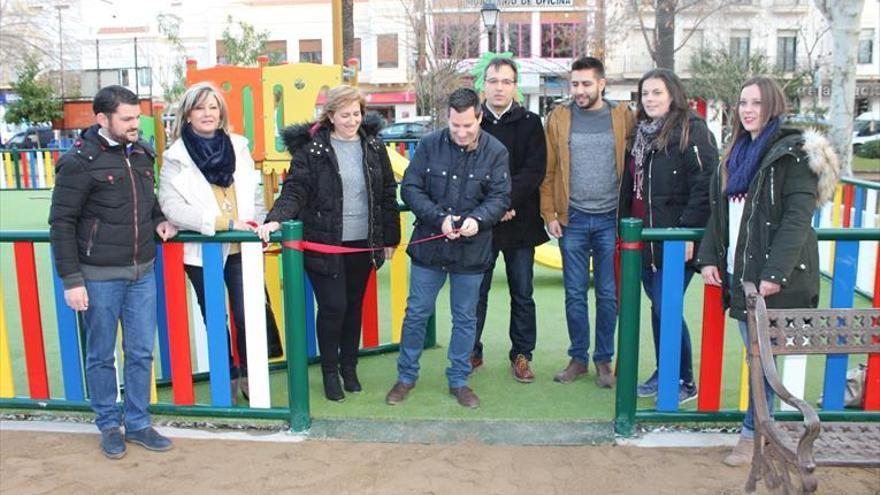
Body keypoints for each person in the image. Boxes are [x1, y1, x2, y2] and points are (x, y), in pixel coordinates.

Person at [695, 76, 839, 466]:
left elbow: (796, 221)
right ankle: (761, 429)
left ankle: (753, 434)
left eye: (756, 103)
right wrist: (709, 257)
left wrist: (773, 275)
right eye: (743, 102)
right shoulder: (737, 153)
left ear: (773, 106)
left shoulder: (792, 155)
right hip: (741, 272)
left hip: (773, 278)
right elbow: (722, 213)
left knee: (762, 359)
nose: (747, 110)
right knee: (756, 357)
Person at [49, 85, 178, 459]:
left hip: (142, 272)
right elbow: (61, 224)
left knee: (140, 352)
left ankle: (137, 422)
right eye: (127, 119)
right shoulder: (78, 162)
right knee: (102, 354)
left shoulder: (141, 153)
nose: (135, 124)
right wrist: (72, 281)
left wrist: (159, 221)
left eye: (137, 117)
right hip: (98, 276)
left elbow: (147, 201)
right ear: (102, 119)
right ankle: (108, 423)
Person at [257, 85, 401, 402]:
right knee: (334, 306)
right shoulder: (312, 152)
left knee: (353, 308)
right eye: (345, 114)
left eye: (357, 114)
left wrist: (389, 238)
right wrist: (276, 217)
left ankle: (349, 368)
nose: (352, 120)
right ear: (331, 116)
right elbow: (295, 191)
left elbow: (387, 194)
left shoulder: (374, 148)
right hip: (325, 243)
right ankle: (329, 371)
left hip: (363, 243)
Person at [385, 88, 510, 409]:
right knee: (416, 313)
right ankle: (406, 377)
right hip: (430, 247)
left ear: (479, 117)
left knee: (465, 317)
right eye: (455, 125)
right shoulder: (428, 145)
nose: (461, 132)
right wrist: (439, 219)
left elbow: (500, 197)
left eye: (468, 125)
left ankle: (459, 380)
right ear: (448, 118)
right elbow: (411, 188)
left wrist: (478, 219)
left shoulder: (496, 151)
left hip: (473, 250)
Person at [158, 82, 284, 403]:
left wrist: (256, 224)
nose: (207, 114)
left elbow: (253, 195)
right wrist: (222, 224)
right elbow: (172, 206)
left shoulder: (238, 147)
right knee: (215, 316)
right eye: (200, 108)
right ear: (187, 115)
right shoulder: (175, 157)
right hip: (206, 249)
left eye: (213, 107)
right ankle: (225, 375)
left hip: (242, 245)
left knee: (248, 313)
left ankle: (251, 375)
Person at [619, 68, 717, 404]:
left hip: (675, 238)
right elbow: (631, 187)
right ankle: (666, 369)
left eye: (657, 92)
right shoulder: (640, 135)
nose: (650, 99)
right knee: (658, 307)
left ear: (672, 94)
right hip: (644, 237)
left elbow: (705, 185)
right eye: (645, 93)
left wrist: (689, 230)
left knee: (666, 305)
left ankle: (684, 378)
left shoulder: (693, 130)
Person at [540, 57, 635, 388]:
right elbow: (549, 170)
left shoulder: (623, 117)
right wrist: (550, 214)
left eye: (585, 84)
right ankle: (578, 358)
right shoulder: (559, 117)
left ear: (601, 84)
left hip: (611, 219)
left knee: (609, 294)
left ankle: (603, 360)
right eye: (575, 84)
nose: (579, 91)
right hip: (573, 219)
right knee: (574, 294)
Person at [472, 57, 548, 383]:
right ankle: (471, 350)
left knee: (522, 292)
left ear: (515, 86)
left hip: (520, 220)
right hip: (482, 223)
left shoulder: (531, 123)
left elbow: (534, 170)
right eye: (493, 81)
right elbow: (468, 171)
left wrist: (505, 201)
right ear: (483, 84)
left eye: (505, 81)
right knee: (476, 291)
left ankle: (521, 354)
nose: (499, 87)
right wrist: (491, 207)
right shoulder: (472, 122)